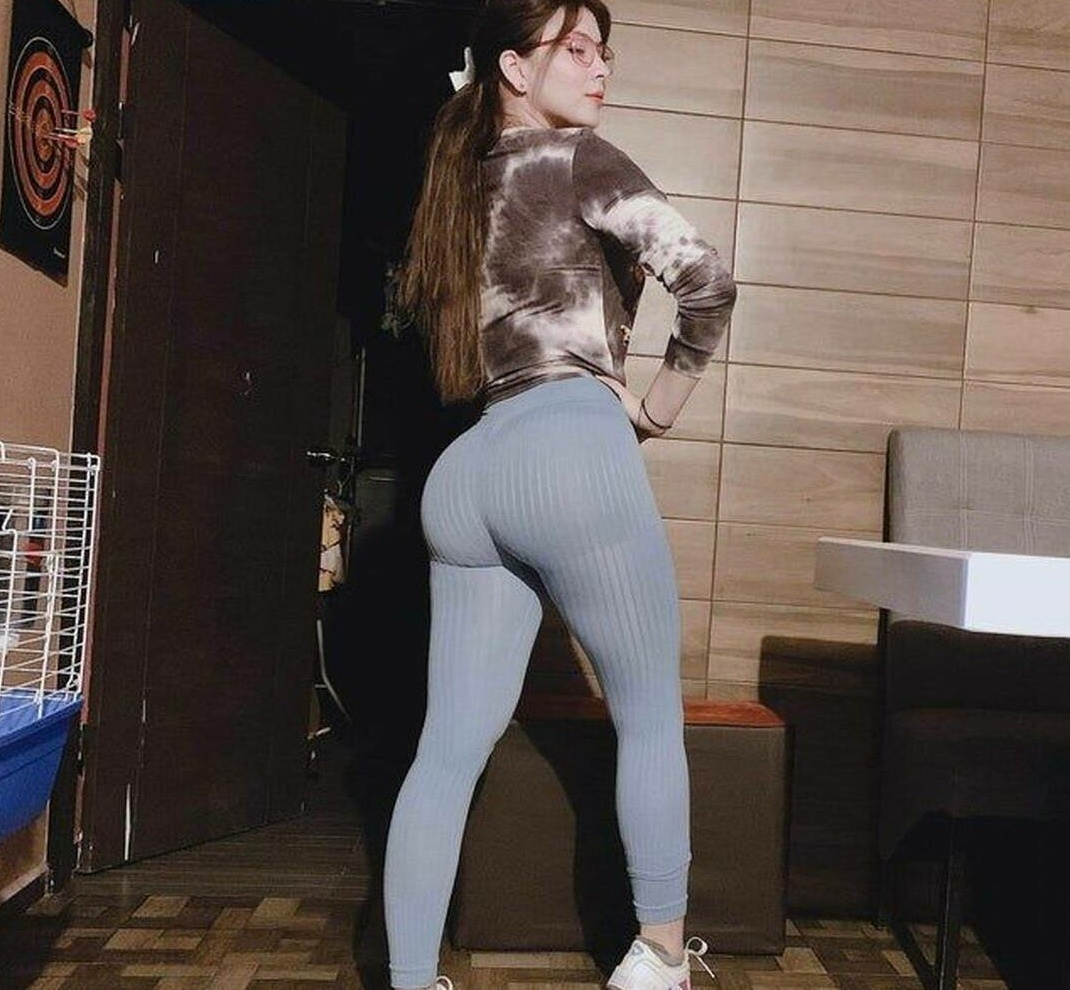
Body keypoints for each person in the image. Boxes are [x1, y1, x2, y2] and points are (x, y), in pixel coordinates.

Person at [382, 1, 737, 988]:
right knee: (649, 716)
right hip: (569, 449)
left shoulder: (457, 188)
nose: (599, 68)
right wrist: (656, 408)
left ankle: (408, 978)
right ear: (512, 66)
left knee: (446, 753)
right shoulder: (578, 159)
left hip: (469, 473)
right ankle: (657, 959)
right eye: (575, 49)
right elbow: (707, 282)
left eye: (603, 51)